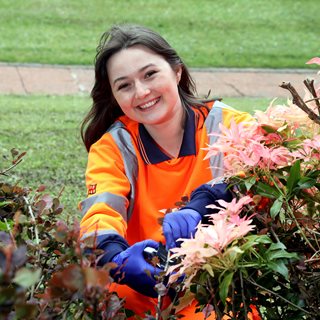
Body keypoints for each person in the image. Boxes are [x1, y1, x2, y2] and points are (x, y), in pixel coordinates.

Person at [79, 24, 254, 319]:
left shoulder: (231, 124)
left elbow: (256, 181)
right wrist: (117, 259)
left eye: (150, 74)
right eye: (124, 85)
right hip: (140, 292)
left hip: (214, 289)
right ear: (114, 96)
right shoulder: (112, 147)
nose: (142, 92)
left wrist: (200, 208)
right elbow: (100, 215)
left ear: (176, 71)